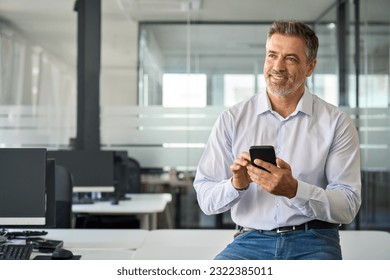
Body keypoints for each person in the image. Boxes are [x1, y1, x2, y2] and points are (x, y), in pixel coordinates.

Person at [193, 20, 361, 260]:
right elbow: (206, 199)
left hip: (314, 241)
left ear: (310, 66)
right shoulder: (232, 119)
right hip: (249, 241)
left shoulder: (337, 123)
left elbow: (348, 205)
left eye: (291, 58)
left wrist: (295, 190)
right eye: (272, 55)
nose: (277, 66)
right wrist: (236, 184)